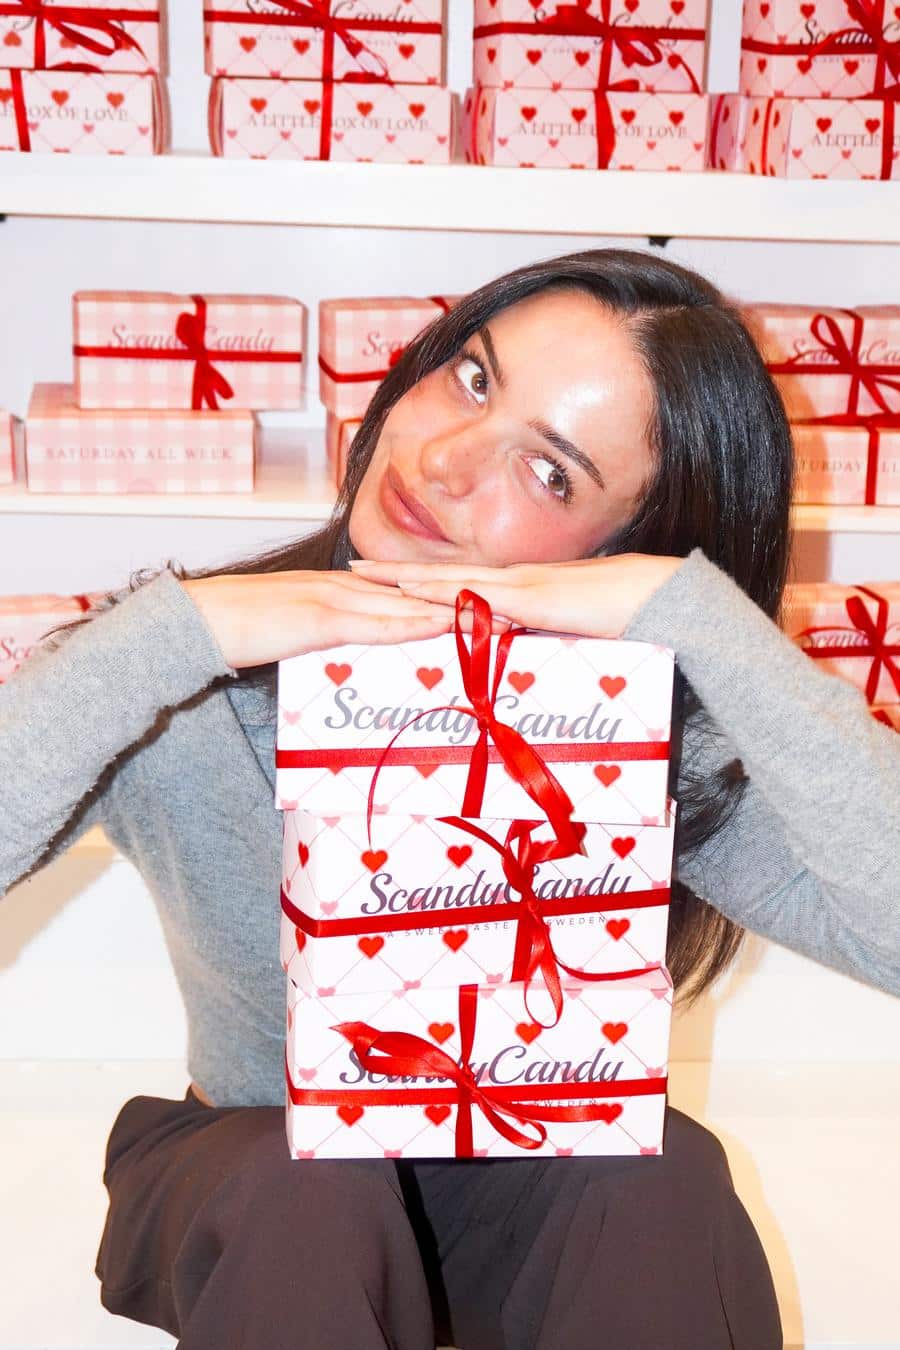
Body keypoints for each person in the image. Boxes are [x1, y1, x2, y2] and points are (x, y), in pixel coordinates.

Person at [2, 249, 898, 1350]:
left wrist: (703, 626)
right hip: (255, 1181)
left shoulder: (630, 734)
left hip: (520, 1202)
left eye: (551, 473)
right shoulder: (185, 678)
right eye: (473, 378)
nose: (446, 460)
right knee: (311, 1192)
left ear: (620, 549)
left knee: (667, 1177)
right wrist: (179, 632)